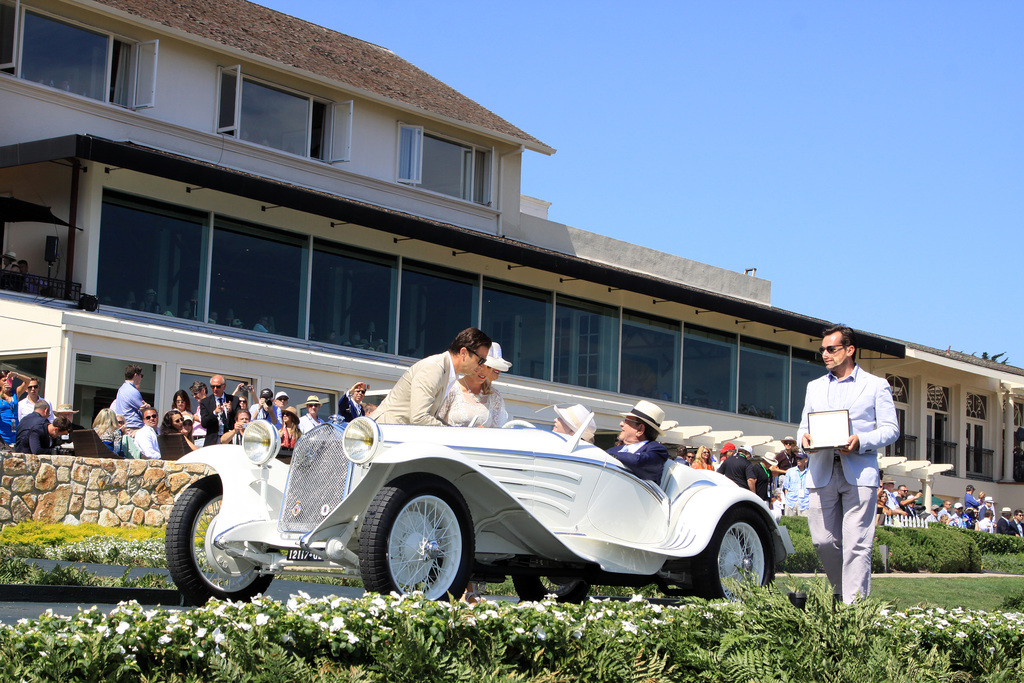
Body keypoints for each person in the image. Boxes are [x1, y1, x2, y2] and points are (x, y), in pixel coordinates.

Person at [797, 324, 899, 604]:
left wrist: (861, 440)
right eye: (822, 350)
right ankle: (842, 588)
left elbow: (891, 429)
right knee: (823, 541)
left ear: (849, 350)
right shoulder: (814, 387)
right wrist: (803, 440)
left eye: (831, 349)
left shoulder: (876, 386)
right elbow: (802, 427)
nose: (825, 354)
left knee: (857, 544)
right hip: (821, 471)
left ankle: (852, 609)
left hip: (859, 473)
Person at [373, 327, 492, 425]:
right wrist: (454, 434)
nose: (482, 366)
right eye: (481, 360)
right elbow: (419, 417)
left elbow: (428, 417)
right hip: (384, 434)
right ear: (464, 353)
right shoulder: (433, 369)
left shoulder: (446, 371)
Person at [437, 343, 510, 429]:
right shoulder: (451, 389)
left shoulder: (494, 396)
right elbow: (435, 423)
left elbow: (497, 431)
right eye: (481, 365)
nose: (483, 371)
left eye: (489, 368)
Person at [606, 400, 670, 484]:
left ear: (640, 430)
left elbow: (639, 462)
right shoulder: (613, 450)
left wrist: (609, 456)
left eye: (627, 420)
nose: (621, 423)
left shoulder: (657, 450)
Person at [199, 374, 240, 447]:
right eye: (212, 386)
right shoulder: (205, 402)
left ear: (224, 386)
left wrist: (230, 411)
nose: (215, 389)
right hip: (212, 440)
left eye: (218, 386)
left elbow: (238, 420)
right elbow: (204, 423)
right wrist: (214, 413)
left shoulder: (234, 400)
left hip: (229, 438)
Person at [113, 364, 148, 435]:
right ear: (135, 375)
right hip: (134, 428)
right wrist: (147, 407)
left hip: (126, 426)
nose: (141, 378)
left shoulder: (122, 389)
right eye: (141, 375)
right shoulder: (132, 391)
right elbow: (145, 411)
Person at [0, 370, 31, 445]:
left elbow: (28, 381)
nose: (6, 382)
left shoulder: (15, 393)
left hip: (14, 428)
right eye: (4, 380)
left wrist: (16, 375)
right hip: (2, 430)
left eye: (8, 380)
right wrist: (2, 393)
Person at [782, 452, 810, 516]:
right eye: (797, 458)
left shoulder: (809, 473)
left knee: (804, 524)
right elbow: (785, 487)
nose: (798, 460)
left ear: (806, 460)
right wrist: (787, 499)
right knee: (789, 523)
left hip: (804, 503)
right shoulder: (790, 471)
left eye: (800, 458)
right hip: (791, 502)